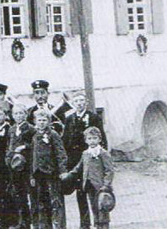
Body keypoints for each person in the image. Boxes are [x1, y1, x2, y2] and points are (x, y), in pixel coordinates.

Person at [64, 92, 108, 229]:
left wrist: (101, 158)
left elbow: (102, 138)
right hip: (76, 161)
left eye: (82, 100)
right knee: (80, 194)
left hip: (91, 160)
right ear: (73, 103)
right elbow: (65, 140)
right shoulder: (69, 119)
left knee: (95, 193)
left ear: (86, 102)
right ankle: (84, 223)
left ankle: (99, 222)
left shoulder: (93, 117)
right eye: (76, 101)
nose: (79, 103)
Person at [65, 127, 114, 229]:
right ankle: (96, 225)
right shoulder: (85, 153)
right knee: (94, 207)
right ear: (86, 140)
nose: (92, 141)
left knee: (102, 207)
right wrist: (68, 175)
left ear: (99, 139)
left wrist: (106, 185)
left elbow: (109, 170)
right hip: (89, 185)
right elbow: (78, 167)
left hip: (100, 186)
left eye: (94, 138)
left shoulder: (103, 153)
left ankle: (104, 226)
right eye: (90, 138)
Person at [30, 110, 67, 229]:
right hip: (39, 174)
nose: (41, 123)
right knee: (42, 203)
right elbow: (33, 156)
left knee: (56, 202)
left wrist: (62, 171)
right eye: (39, 120)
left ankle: (59, 225)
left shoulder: (53, 134)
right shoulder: (35, 136)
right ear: (35, 121)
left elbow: (60, 153)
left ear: (48, 121)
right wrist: (32, 175)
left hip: (52, 173)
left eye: (44, 120)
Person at [6, 104, 34, 229]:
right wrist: (8, 156)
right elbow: (8, 145)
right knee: (18, 193)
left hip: (26, 165)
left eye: (21, 113)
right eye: (16, 113)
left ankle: (31, 221)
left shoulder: (30, 128)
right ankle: (22, 221)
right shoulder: (12, 129)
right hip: (14, 165)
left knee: (29, 192)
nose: (18, 116)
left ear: (25, 114)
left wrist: (24, 146)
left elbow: (34, 144)